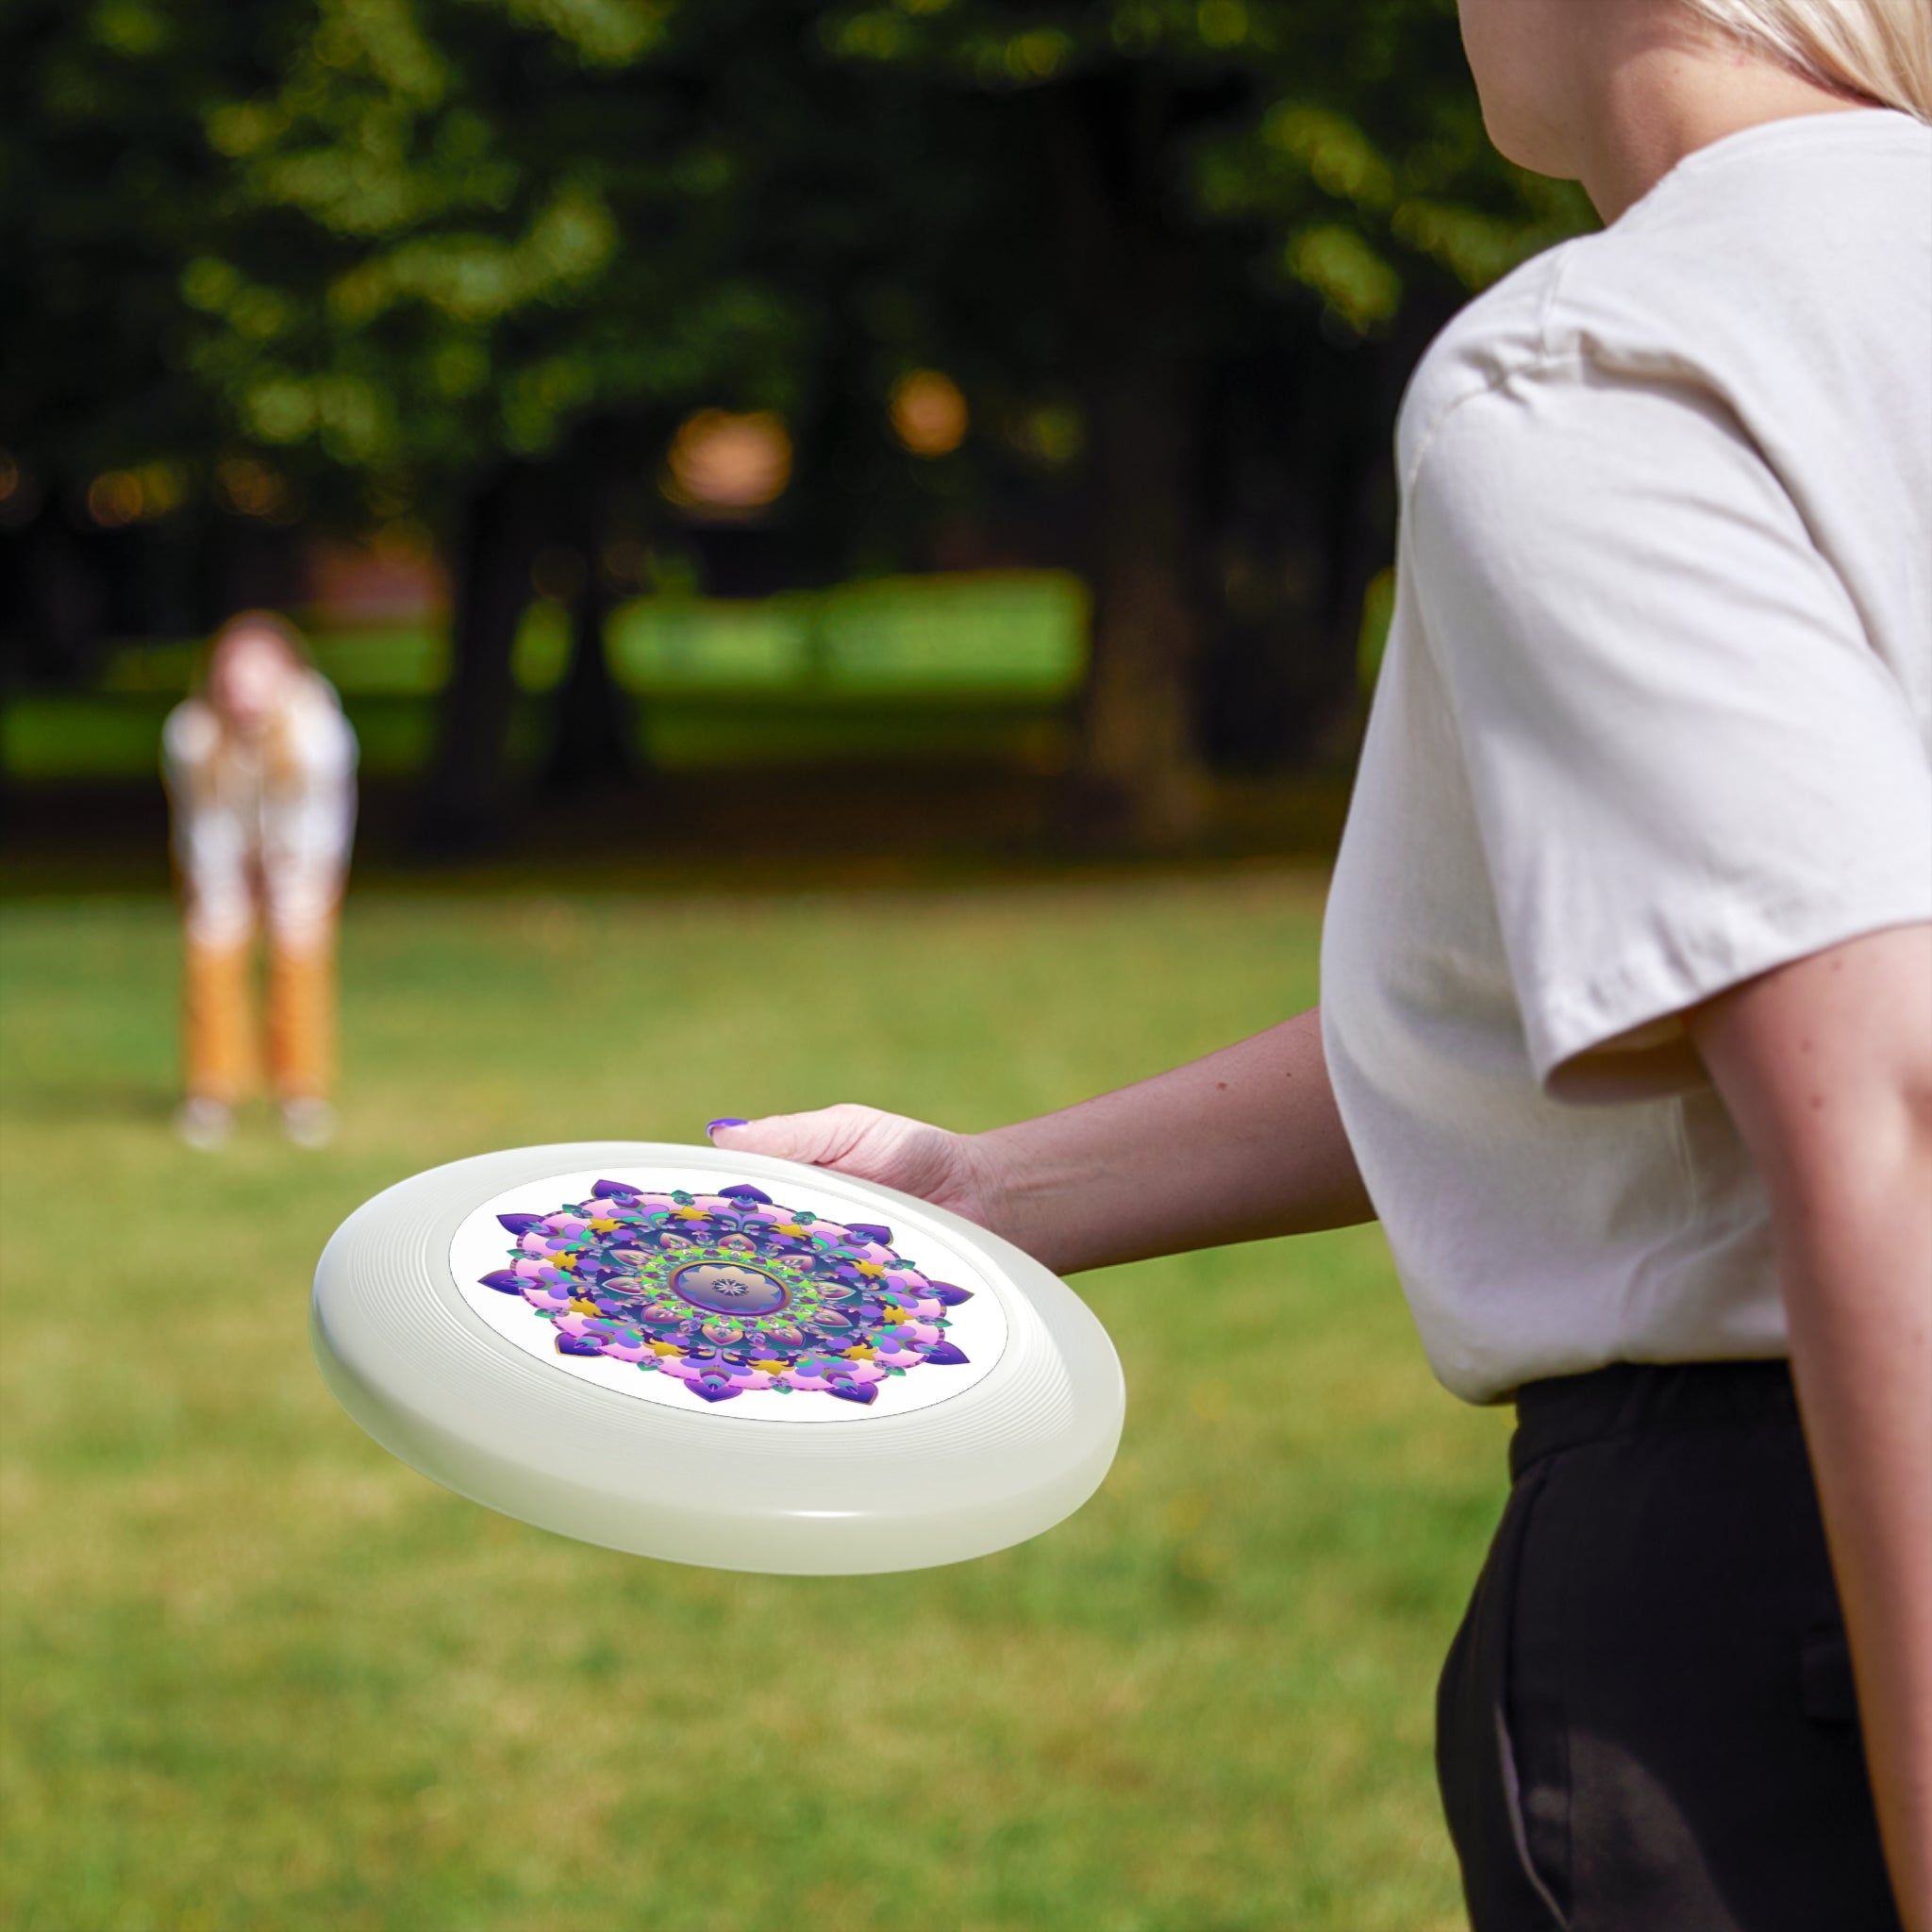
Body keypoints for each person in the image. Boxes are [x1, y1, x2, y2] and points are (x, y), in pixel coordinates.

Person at [705, 2, 1932, 1925]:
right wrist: (987, 1188)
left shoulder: (1609, 362)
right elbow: (1624, 991)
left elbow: (1885, 1101)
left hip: (1794, 1592)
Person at [162, 611, 358, 1151]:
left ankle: (301, 1092)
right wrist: (224, 887)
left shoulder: (319, 733)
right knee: (212, 952)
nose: (244, 691)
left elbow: (317, 824)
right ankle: (212, 1091)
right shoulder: (191, 735)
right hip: (221, 857)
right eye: (234, 675)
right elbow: (204, 823)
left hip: (302, 858)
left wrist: (287, 881)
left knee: (299, 958)